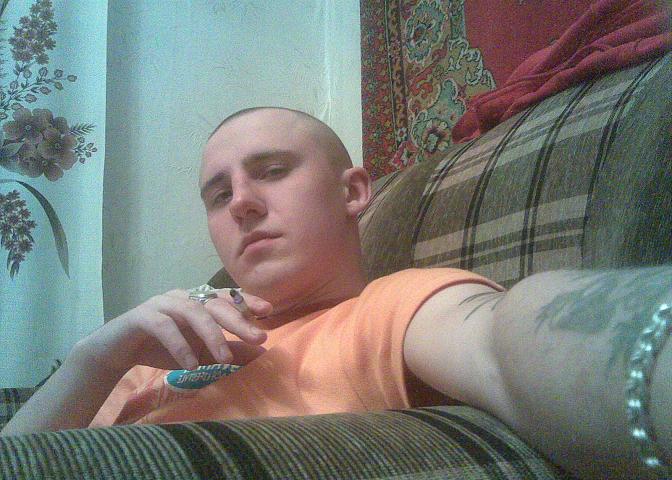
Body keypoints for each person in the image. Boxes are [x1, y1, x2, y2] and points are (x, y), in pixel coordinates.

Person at [2, 107, 670, 479]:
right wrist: (95, 360)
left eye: (271, 171)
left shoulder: (391, 310)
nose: (241, 203)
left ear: (353, 191)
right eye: (218, 194)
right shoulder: (145, 352)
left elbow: (501, 342)